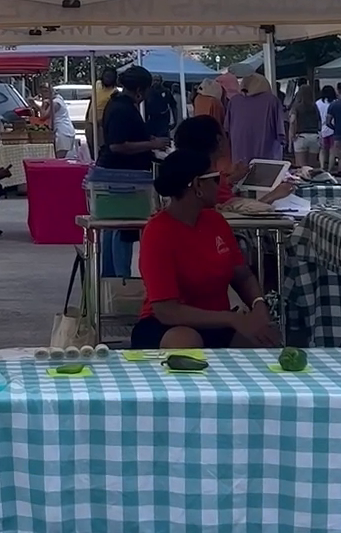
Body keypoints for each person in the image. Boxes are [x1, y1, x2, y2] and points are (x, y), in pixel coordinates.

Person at [131, 148, 279, 350]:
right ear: (198, 185)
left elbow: (242, 275)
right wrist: (231, 318)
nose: (222, 184)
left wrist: (259, 304)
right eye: (216, 179)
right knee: (185, 344)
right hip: (167, 326)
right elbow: (166, 310)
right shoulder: (157, 232)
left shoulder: (216, 221)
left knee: (267, 342)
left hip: (219, 323)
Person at [98, 64, 168, 278]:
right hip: (123, 174)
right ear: (140, 90)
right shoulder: (123, 109)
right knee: (123, 228)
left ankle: (110, 279)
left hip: (116, 172)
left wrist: (149, 140)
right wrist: (151, 146)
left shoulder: (116, 104)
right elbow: (118, 145)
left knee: (112, 227)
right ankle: (121, 280)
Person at [226, 73, 286, 167]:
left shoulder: (234, 102)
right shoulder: (272, 101)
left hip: (239, 160)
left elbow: (227, 129)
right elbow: (280, 133)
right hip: (266, 159)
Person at [84, 67, 118, 156]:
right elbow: (92, 100)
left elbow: (112, 108)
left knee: (102, 146)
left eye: (110, 77)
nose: (108, 79)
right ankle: (93, 160)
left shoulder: (114, 91)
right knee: (90, 144)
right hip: (90, 121)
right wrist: (87, 116)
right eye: (106, 76)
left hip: (102, 124)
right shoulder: (97, 84)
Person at [288, 81, 322, 168]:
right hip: (314, 137)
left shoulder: (296, 106)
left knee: (301, 167)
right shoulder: (314, 106)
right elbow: (319, 121)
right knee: (311, 167)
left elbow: (292, 121)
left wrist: (291, 137)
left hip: (301, 137)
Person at [144, 74, 176, 139]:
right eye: (154, 80)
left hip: (163, 119)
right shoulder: (147, 91)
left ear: (161, 81)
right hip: (151, 118)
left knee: (163, 138)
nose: (155, 82)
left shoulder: (166, 91)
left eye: (157, 80)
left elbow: (173, 106)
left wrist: (175, 120)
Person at [317, 84, 335, 170]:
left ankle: (322, 166)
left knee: (322, 149)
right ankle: (330, 168)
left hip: (321, 129)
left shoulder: (318, 103)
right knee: (332, 150)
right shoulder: (335, 102)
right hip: (333, 129)